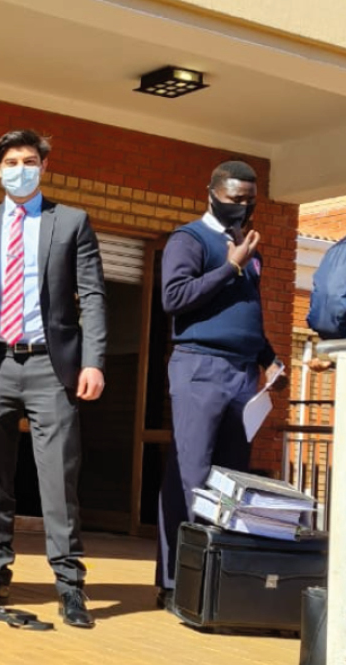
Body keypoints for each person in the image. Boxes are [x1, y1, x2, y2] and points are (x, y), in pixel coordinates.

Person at [0, 129, 106, 630]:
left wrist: (94, 360)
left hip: (53, 366)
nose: (19, 168)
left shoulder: (70, 222)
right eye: (10, 161)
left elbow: (91, 296)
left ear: (44, 167)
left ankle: (69, 585)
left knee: (58, 479)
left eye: (29, 160)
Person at [155, 160, 286, 607]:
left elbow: (246, 316)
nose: (242, 207)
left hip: (243, 375)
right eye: (234, 198)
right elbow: (174, 298)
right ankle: (177, 583)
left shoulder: (252, 250)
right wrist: (230, 266)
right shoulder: (188, 239)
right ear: (211, 193)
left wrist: (270, 360)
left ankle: (219, 580)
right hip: (199, 366)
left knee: (232, 481)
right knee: (190, 476)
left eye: (249, 200)